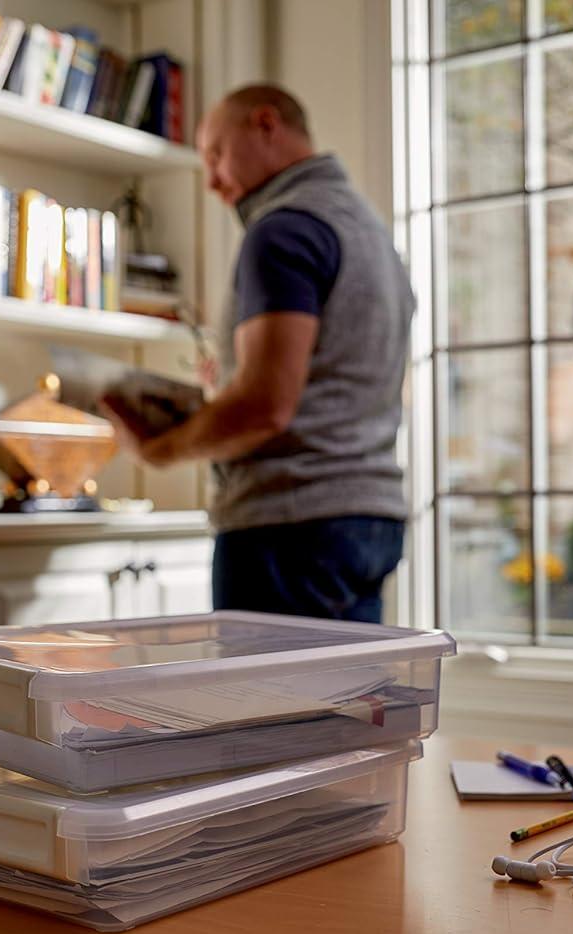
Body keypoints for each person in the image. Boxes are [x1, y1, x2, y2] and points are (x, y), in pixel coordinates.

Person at [105, 84, 414, 623]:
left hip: (290, 528)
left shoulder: (284, 230)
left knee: (269, 708)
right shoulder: (371, 233)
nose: (213, 182)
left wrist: (163, 449)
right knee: (341, 706)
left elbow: (266, 406)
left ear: (266, 125)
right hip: (369, 519)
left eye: (216, 155)